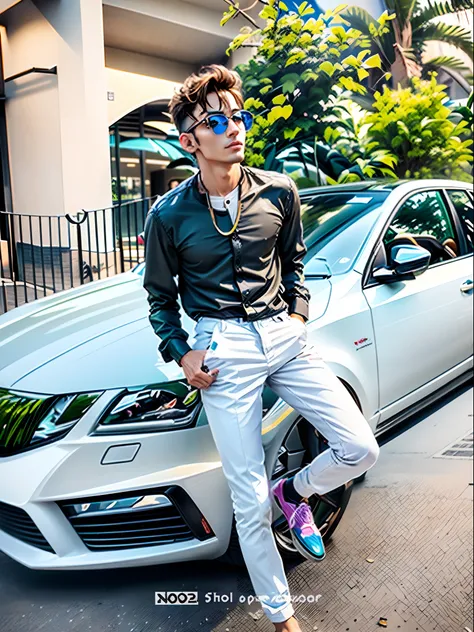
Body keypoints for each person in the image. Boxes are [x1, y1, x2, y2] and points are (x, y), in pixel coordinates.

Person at [143, 64, 380, 632]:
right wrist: (182, 352)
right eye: (216, 120)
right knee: (246, 500)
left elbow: (294, 262)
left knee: (360, 448)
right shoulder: (168, 215)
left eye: (238, 116)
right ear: (189, 140)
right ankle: (282, 617)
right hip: (222, 350)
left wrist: (298, 317)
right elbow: (158, 296)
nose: (233, 128)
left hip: (285, 336)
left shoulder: (280, 190)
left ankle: (293, 490)